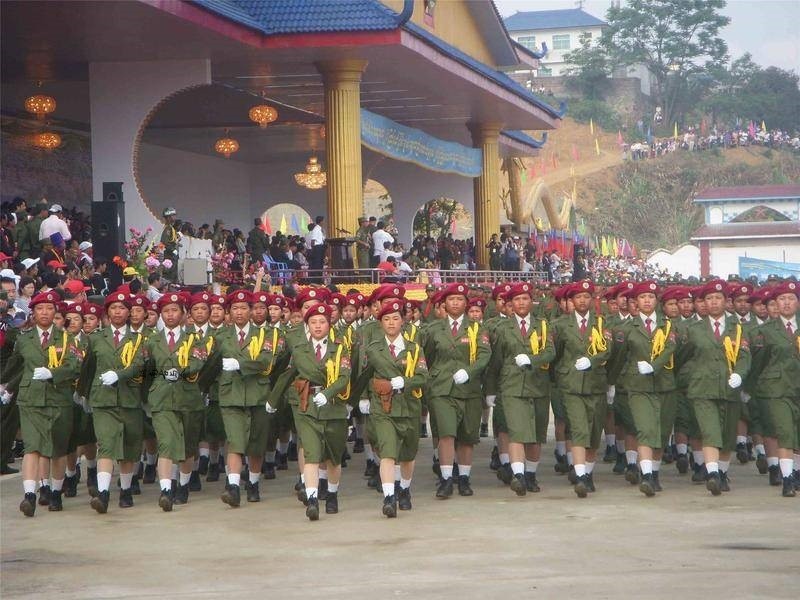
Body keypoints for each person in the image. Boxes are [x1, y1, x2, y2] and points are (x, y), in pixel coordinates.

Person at [268, 302, 350, 520]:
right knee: (312, 453)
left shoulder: (340, 347)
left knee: (333, 457)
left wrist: (329, 392)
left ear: (329, 324)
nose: (317, 326)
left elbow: (344, 376)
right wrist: (273, 399)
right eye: (313, 322)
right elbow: (288, 374)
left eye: (322, 322)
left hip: (333, 407)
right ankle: (312, 499)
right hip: (308, 406)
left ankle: (332, 494)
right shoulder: (300, 349)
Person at [5, 291, 81, 516]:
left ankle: (56, 492)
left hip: (59, 399)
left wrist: (53, 373)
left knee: (57, 449)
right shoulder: (24, 338)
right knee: (33, 447)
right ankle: (29, 494)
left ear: (56, 312)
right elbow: (15, 365)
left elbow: (74, 366)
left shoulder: (66, 338)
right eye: (40, 309)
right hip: (31, 399)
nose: (45, 313)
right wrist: (5, 385)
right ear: (33, 312)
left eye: (49, 308)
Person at [211, 290, 285, 508]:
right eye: (235, 308)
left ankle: (253, 483)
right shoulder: (220, 336)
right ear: (229, 312)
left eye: (244, 308)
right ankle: (233, 486)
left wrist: (241, 364)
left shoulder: (266, 335)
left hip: (258, 394)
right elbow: (211, 364)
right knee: (235, 441)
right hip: (231, 394)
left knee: (256, 443)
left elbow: (266, 360)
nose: (240, 312)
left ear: (252, 311)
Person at [357, 298, 428, 517]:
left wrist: (405, 382)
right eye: (386, 319)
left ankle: (404, 489)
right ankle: (389, 496)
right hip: (383, 406)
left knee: (407, 454)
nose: (390, 323)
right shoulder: (373, 348)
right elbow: (364, 375)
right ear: (380, 323)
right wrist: (363, 397)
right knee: (387, 451)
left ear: (403, 321)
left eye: (395, 318)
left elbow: (423, 376)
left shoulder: (414, 348)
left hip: (408, 406)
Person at [680, 279, 751, 496]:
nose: (713, 302)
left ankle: (722, 472)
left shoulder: (737, 328)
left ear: (726, 301)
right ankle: (712, 474)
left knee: (728, 435)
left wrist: (740, 373)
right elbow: (682, 357)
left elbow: (745, 356)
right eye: (708, 298)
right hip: (702, 389)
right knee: (710, 431)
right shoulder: (693, 329)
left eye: (717, 298)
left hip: (729, 388)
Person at [79, 291, 147, 513]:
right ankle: (104, 493)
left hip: (130, 398)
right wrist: (84, 394)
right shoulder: (97, 338)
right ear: (107, 312)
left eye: (122, 308)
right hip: (103, 400)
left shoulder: (139, 339)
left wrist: (121, 375)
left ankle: (126, 490)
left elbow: (141, 365)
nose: (117, 312)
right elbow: (88, 368)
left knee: (128, 446)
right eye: (113, 308)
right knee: (106, 445)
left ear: (129, 312)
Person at [422, 283, 491, 498]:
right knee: (446, 433)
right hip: (442, 388)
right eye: (451, 299)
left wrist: (469, 372)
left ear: (466, 303)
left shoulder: (477, 328)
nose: (455, 303)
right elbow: (428, 357)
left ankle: (464, 478)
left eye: (459, 299)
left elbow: (484, 355)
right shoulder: (433, 329)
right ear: (443, 304)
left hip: (468, 388)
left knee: (467, 436)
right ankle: (446, 479)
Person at [608, 281, 677, 496]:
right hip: (638, 387)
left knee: (661, 432)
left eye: (651, 296)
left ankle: (654, 473)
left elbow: (676, 353)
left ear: (657, 301)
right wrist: (611, 383)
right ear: (635, 302)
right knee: (645, 430)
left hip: (665, 386)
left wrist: (658, 367)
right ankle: (646, 475)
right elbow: (618, 359)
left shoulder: (669, 326)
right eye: (642, 297)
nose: (647, 300)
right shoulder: (627, 328)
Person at [486, 282, 555, 495]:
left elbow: (551, 352)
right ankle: (518, 476)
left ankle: (531, 474)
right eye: (517, 299)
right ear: (510, 304)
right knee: (517, 432)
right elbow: (495, 361)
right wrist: (490, 390)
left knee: (535, 435)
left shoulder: (543, 325)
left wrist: (533, 360)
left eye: (525, 298)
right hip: (512, 385)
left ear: (531, 301)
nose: (521, 303)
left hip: (538, 385)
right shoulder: (501, 328)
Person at [142, 292, 207, 511]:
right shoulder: (152, 339)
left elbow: (199, 361)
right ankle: (166, 490)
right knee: (166, 444)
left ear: (183, 314)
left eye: (174, 311)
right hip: (161, 398)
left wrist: (180, 370)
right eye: (166, 311)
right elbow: (146, 368)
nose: (170, 315)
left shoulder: (195, 338)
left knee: (188, 447)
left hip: (188, 397)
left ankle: (184, 485)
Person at [553, 280, 613, 498]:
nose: (582, 301)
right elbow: (556, 353)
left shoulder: (601, 323)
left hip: (596, 383)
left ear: (592, 300)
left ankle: (588, 473)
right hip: (571, 385)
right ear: (571, 301)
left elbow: (607, 350)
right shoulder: (560, 325)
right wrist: (563, 373)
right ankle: (580, 476)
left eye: (586, 297)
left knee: (594, 433)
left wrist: (593, 360)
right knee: (579, 429)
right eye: (578, 297)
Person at [748, 280, 800, 497]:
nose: (786, 303)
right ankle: (787, 478)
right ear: (776, 304)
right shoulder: (765, 331)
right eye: (782, 299)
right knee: (785, 431)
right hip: (776, 389)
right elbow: (758, 362)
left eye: (791, 299)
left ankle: (796, 472)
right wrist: (751, 387)